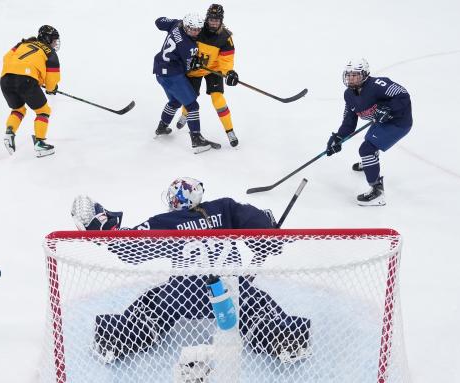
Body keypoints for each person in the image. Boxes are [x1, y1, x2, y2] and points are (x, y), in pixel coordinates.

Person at [70, 178, 312, 373]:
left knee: (152, 302)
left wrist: (104, 229)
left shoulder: (165, 221)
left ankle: (118, 336)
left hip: (183, 296)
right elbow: (256, 223)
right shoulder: (225, 207)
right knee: (257, 303)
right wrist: (269, 236)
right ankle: (285, 336)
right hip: (229, 293)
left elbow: (132, 248)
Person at [326, 58, 412, 206]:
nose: (351, 78)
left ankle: (377, 191)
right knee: (369, 144)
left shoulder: (378, 85)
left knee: (366, 149)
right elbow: (349, 121)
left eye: (355, 75)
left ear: (365, 74)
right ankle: (370, 162)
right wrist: (338, 137)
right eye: (349, 75)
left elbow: (403, 95)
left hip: (398, 122)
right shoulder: (349, 95)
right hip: (382, 122)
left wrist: (389, 108)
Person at [153, 15, 221, 153]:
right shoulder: (189, 46)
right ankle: (196, 139)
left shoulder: (176, 24)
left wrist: (168, 20)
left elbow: (159, 22)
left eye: (197, 29)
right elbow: (190, 68)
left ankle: (162, 126)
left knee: (175, 101)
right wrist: (195, 63)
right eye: (191, 29)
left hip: (160, 71)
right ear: (186, 26)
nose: (195, 32)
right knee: (192, 105)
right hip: (172, 76)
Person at [175, 4, 240, 147]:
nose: (214, 22)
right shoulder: (197, 29)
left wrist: (229, 72)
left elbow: (226, 61)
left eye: (217, 20)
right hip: (196, 70)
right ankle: (185, 114)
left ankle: (229, 131)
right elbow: (183, 42)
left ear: (221, 20)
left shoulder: (225, 38)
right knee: (190, 97)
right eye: (211, 19)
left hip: (213, 70)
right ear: (207, 19)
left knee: (218, 99)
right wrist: (188, 60)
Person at [0, 25, 61, 158]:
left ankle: (9, 133)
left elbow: (6, 57)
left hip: (5, 79)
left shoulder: (23, 42)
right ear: (47, 38)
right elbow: (52, 80)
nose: (55, 43)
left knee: (18, 110)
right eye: (54, 40)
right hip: (26, 81)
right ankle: (40, 143)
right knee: (43, 111)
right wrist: (51, 89)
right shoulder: (50, 52)